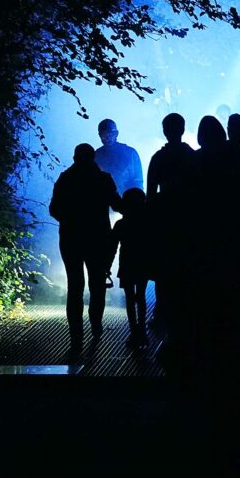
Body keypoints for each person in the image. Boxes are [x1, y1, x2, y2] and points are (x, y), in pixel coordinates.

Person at [48, 143, 123, 354]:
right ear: (92, 158)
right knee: (97, 284)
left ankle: (76, 339)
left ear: (75, 158)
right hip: (98, 238)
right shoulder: (103, 179)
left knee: (75, 286)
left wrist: (70, 220)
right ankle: (96, 325)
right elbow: (117, 204)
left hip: (71, 238)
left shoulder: (65, 179)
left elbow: (54, 209)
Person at [145, 113, 197, 340]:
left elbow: (150, 194)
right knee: (187, 269)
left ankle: (161, 313)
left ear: (165, 131)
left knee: (164, 271)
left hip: (165, 221)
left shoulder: (158, 158)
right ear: (183, 129)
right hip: (188, 220)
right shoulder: (192, 157)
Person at [109, 187, 151, 349]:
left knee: (129, 298)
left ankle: (134, 331)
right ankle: (142, 330)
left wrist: (107, 266)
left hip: (127, 264)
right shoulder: (147, 222)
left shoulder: (121, 224)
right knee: (141, 296)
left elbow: (112, 247)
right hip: (143, 263)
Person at [95, 118, 144, 195]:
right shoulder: (96, 156)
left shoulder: (130, 153)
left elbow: (137, 181)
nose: (107, 138)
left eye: (110, 134)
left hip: (127, 199)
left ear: (116, 134)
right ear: (100, 135)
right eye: (104, 134)